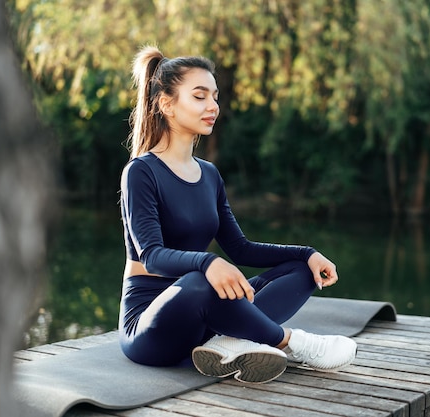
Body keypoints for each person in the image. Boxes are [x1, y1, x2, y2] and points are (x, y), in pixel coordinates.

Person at [118, 45, 357, 384]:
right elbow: (152, 256)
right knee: (200, 281)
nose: (212, 106)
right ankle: (293, 344)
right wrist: (206, 262)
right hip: (152, 328)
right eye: (200, 97)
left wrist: (308, 253)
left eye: (214, 97)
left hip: (205, 321)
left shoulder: (210, 174)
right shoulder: (141, 172)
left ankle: (226, 341)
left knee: (302, 270)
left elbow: (241, 249)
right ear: (166, 104)